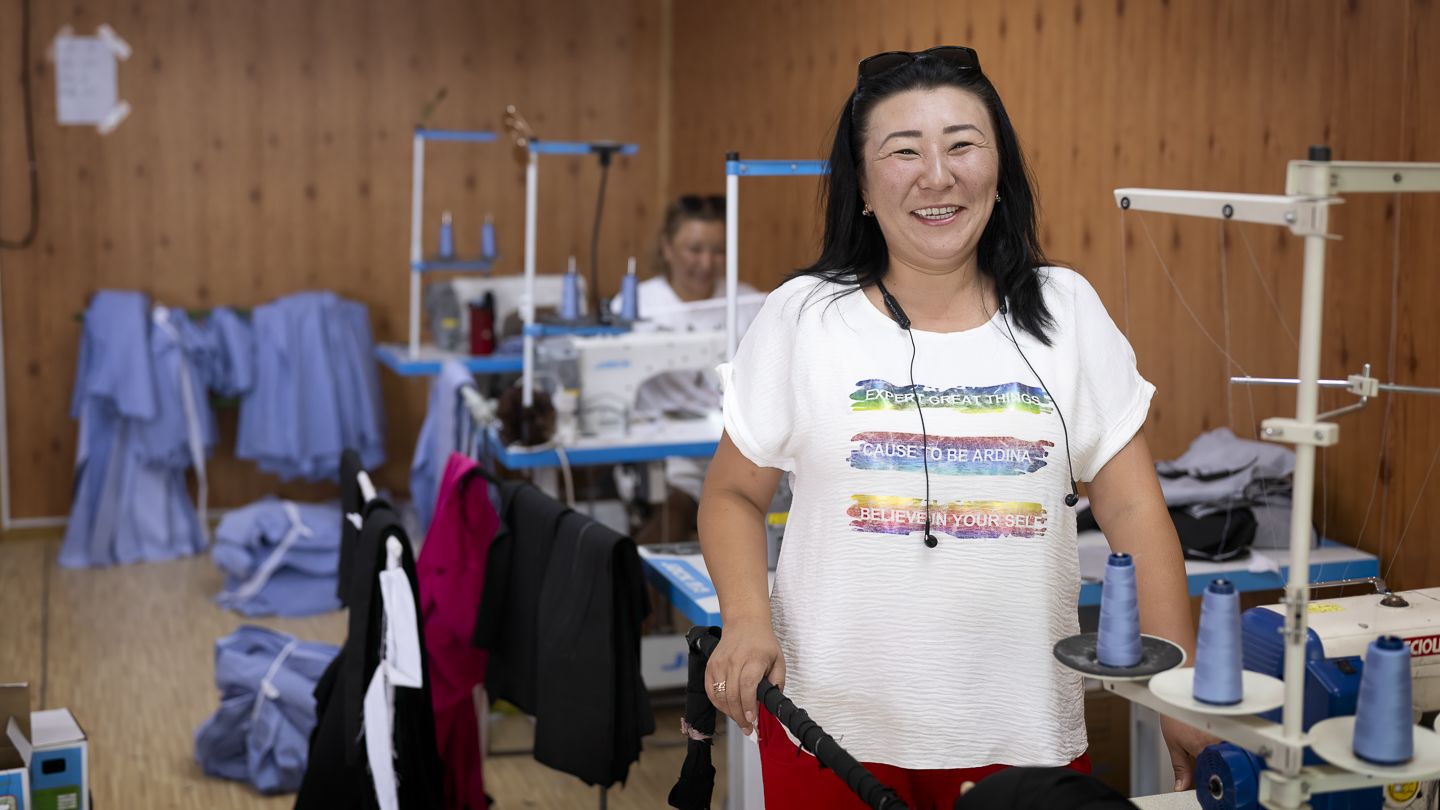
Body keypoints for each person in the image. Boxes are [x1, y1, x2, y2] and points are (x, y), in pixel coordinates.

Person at [699, 46, 1213, 807]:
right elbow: (732, 495)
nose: (937, 176)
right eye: (903, 151)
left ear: (999, 170)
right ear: (862, 186)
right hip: (830, 736)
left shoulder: (1065, 310)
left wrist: (1182, 690)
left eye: (963, 145)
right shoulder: (802, 317)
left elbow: (1134, 509)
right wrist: (745, 619)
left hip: (1023, 735)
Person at [616, 194, 757, 545]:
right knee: (674, 509)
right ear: (667, 248)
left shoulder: (748, 303)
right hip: (664, 450)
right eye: (694, 249)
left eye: (718, 250)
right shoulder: (638, 306)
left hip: (734, 444)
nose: (706, 263)